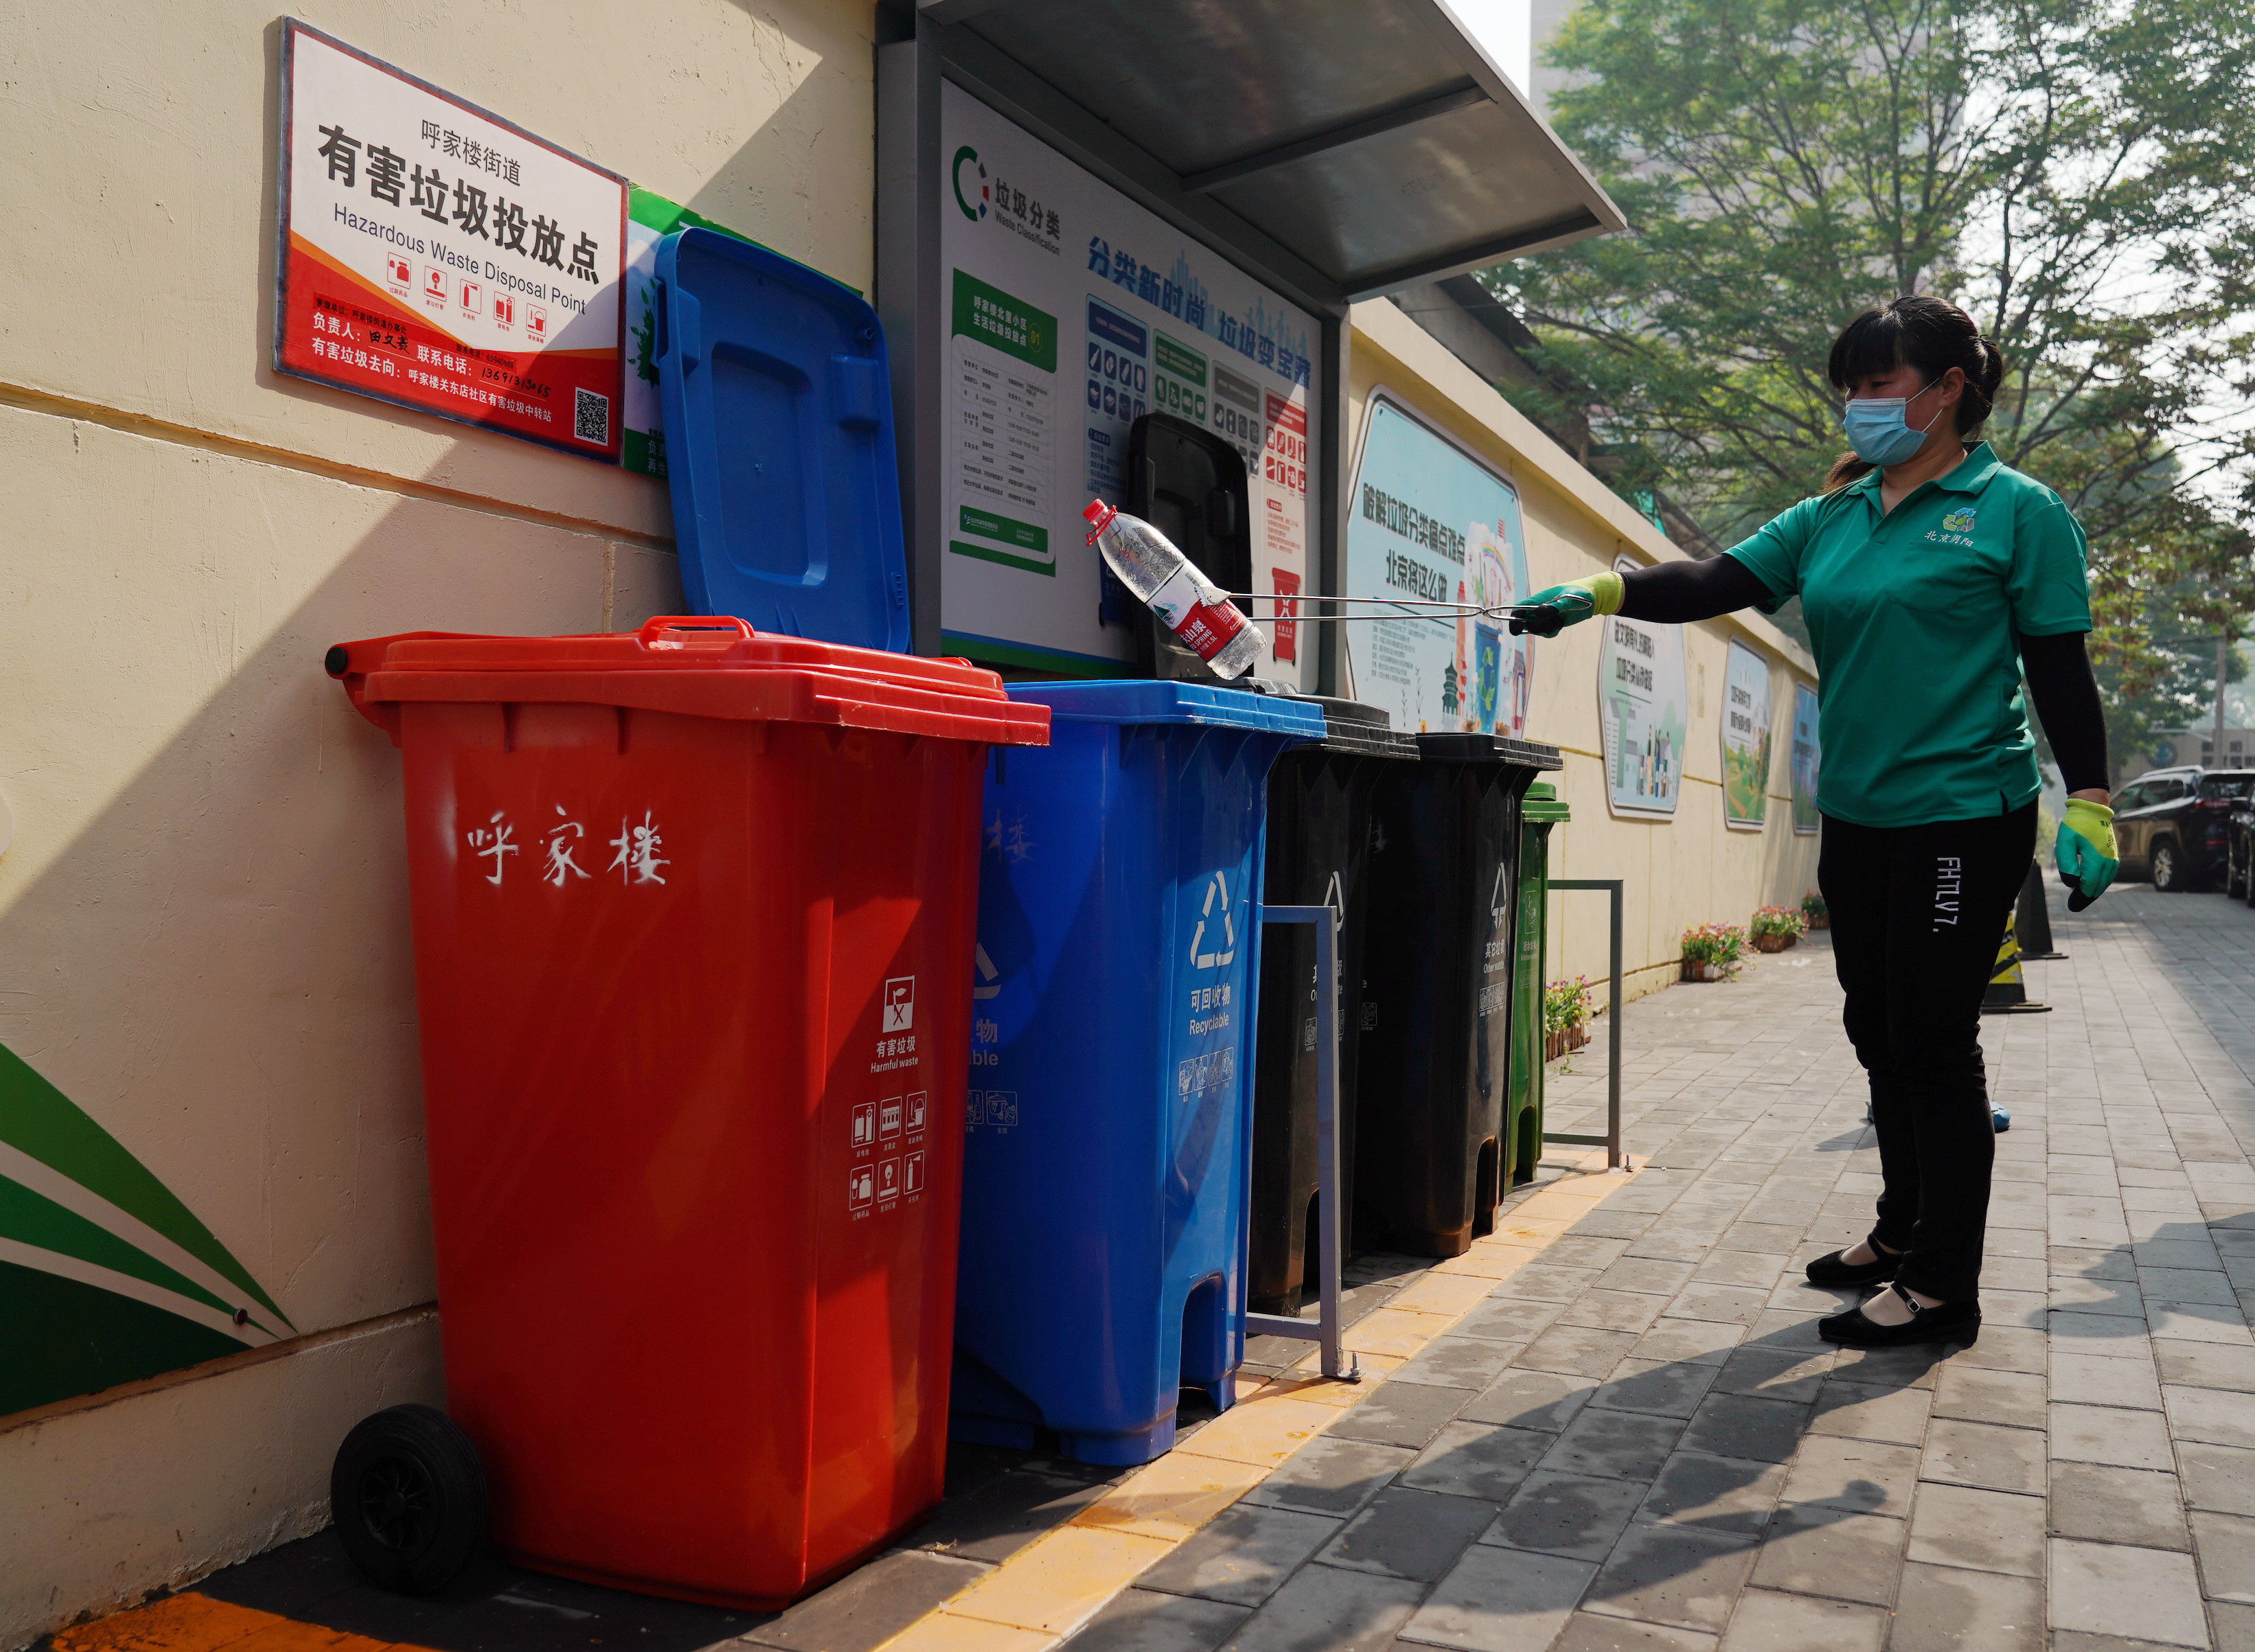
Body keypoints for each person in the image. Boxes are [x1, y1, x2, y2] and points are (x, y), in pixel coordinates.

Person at [1509, 295, 2118, 1348]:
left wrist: (2094, 799)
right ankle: (1900, 1228)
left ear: (1947, 390)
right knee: (1874, 1025)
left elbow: (2058, 664)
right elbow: (1715, 579)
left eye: (1879, 384)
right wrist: (1604, 592)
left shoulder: (2018, 511)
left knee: (1932, 1038)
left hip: (1963, 811)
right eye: (1851, 388)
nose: (1858, 405)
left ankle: (1943, 1286)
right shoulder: (1833, 516)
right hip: (1860, 810)